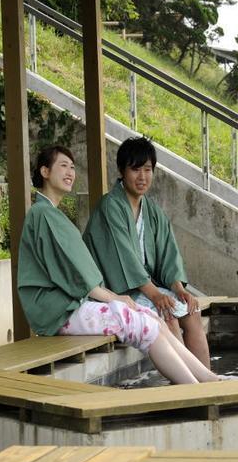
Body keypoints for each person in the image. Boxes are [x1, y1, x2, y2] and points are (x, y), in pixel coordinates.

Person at [18, 145, 219, 385]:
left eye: (73, 166)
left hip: (76, 301)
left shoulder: (51, 213)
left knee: (152, 317)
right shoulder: (45, 214)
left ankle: (208, 379)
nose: (71, 172)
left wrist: (177, 288)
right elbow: (77, 275)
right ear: (45, 171)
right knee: (146, 320)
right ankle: (191, 388)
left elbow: (166, 254)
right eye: (63, 166)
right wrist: (116, 297)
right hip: (61, 309)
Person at [84, 137, 211, 368]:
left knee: (192, 311)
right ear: (121, 171)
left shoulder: (151, 210)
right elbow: (124, 260)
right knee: (168, 314)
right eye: (135, 169)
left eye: (148, 169)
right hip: (115, 291)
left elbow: (168, 254)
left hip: (143, 288)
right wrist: (156, 296)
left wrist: (179, 290)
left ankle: (208, 385)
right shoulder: (110, 206)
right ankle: (186, 389)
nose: (142, 177)